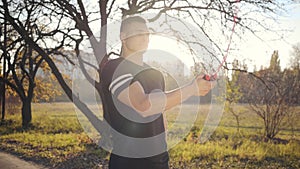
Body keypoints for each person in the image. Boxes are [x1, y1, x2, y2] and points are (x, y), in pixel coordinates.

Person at [100, 16, 215, 169]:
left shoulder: (155, 73)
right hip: (128, 162)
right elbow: (143, 105)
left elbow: (160, 112)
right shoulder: (114, 68)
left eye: (147, 34)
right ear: (123, 37)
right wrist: (191, 89)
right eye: (139, 33)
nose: (145, 37)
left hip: (159, 161)